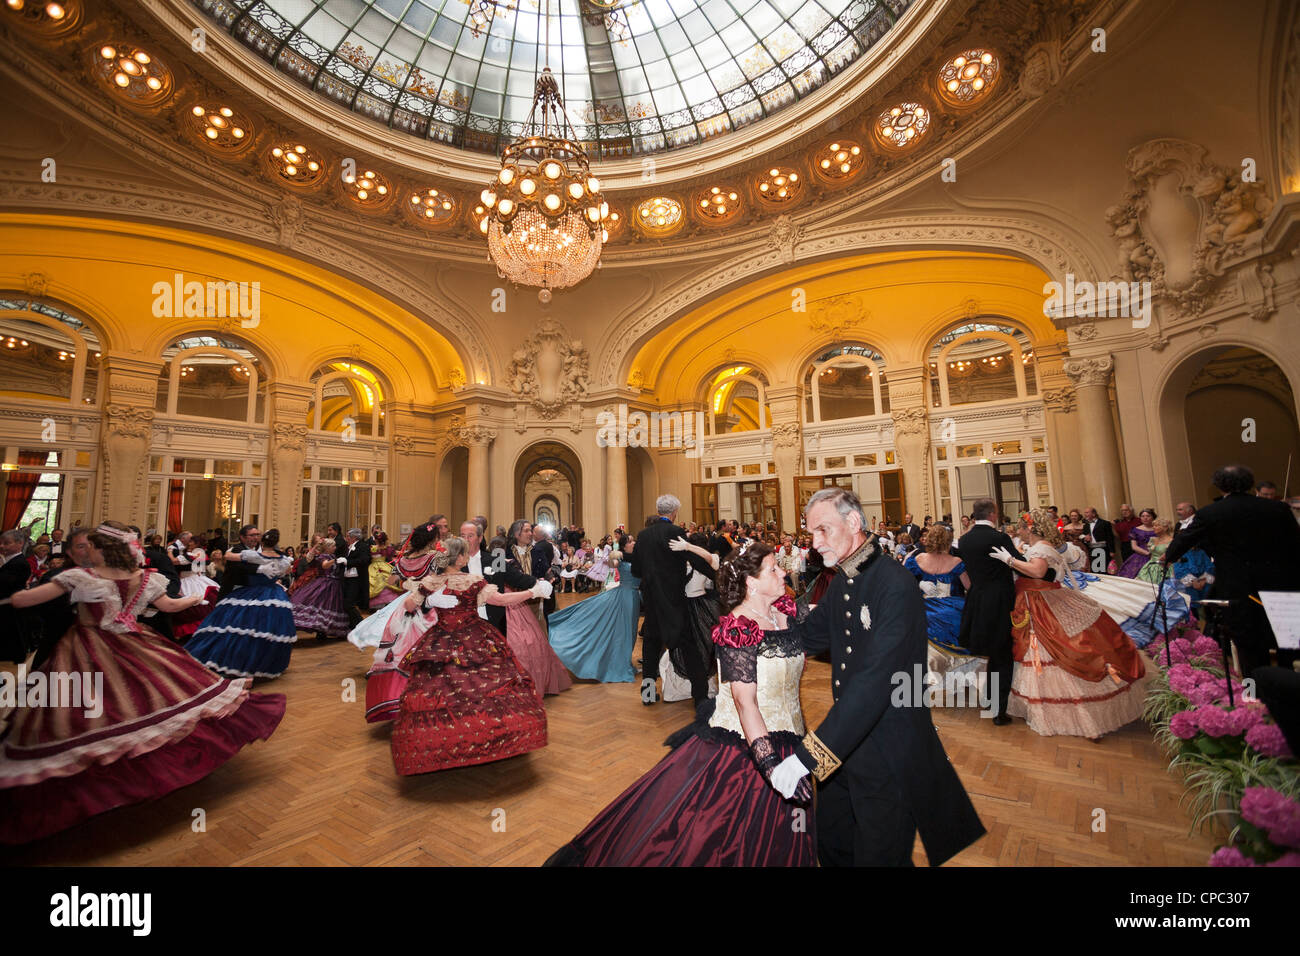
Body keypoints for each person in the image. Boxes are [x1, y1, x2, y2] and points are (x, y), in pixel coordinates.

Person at [0, 521, 284, 844]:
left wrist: (12, 599)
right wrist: (197, 600)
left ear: (102, 548)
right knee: (144, 701)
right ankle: (122, 775)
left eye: (91, 545)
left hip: (88, 648)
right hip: (133, 642)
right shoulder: (142, 578)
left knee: (85, 714)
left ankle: (95, 783)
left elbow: (26, 601)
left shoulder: (81, 577)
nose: (87, 550)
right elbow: (171, 606)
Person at [547, 542, 815, 866]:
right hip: (748, 746)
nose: (783, 571)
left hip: (793, 741)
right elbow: (746, 705)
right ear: (751, 582)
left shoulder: (785, 610)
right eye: (773, 568)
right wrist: (770, 764)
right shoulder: (738, 628)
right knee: (710, 836)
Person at [766, 488, 985, 866]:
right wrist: (749, 631)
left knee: (880, 855)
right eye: (811, 533)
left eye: (822, 531)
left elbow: (874, 681)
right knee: (833, 844)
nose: (816, 544)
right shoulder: (846, 580)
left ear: (853, 523)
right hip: (848, 743)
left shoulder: (894, 585)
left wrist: (808, 756)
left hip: (890, 748)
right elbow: (810, 634)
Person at [389, 536, 552, 775]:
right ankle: (486, 741)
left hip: (441, 642)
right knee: (484, 689)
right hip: (475, 638)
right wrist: (533, 591)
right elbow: (503, 600)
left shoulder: (431, 581)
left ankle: (445, 745)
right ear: (461, 557)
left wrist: (428, 598)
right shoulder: (472, 581)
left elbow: (408, 607)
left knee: (441, 693)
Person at [990, 510, 1148, 738]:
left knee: (1057, 648)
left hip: (1043, 605)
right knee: (1044, 651)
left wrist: (1010, 561)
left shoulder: (1041, 548)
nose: (1019, 532)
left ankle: (1073, 713)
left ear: (1031, 529)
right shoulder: (1038, 547)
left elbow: (1038, 571)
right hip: (1036, 601)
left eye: (1022, 528)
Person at [1165, 464, 1300, 673]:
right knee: (1284, 644)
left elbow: (1180, 544)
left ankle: (1256, 696)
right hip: (1278, 588)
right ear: (1250, 484)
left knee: (1250, 648)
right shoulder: (1278, 509)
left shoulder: (1211, 513)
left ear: (1219, 486)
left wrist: (1169, 556)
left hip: (1238, 590)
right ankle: (1288, 692)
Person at [631, 494, 717, 706]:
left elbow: (636, 570)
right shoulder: (675, 532)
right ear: (675, 512)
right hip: (674, 601)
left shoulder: (642, 535)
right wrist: (717, 574)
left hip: (651, 601)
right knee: (689, 648)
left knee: (650, 648)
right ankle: (700, 696)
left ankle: (648, 695)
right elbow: (693, 559)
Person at [185, 529, 297, 679]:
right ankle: (263, 663)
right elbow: (285, 571)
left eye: (258, 536)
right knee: (266, 630)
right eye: (252, 535)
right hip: (273, 595)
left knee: (241, 628)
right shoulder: (284, 560)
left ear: (262, 541)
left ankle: (237, 660)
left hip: (251, 593)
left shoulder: (254, 555)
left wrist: (256, 564)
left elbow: (229, 556)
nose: (255, 538)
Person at [955, 498, 1019, 725]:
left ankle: (991, 702)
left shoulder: (965, 540)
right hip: (999, 601)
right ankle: (998, 711)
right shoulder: (999, 538)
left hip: (977, 599)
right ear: (993, 514)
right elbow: (1020, 563)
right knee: (1002, 655)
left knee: (993, 653)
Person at [548, 541, 642, 683]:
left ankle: (623, 662)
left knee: (630, 631)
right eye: (629, 540)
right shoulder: (620, 557)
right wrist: (612, 556)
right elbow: (612, 565)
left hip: (634, 596)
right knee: (624, 631)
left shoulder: (639, 557)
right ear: (624, 546)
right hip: (624, 596)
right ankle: (617, 666)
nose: (633, 542)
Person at [903, 524, 981, 686]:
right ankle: (957, 680)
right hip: (953, 608)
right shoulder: (956, 561)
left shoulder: (918, 559)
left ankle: (926, 676)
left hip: (926, 607)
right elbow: (970, 588)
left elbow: (903, 586)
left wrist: (919, 585)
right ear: (948, 541)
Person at [504, 520, 571, 695]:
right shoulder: (502, 552)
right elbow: (496, 576)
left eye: (530, 531)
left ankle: (542, 681)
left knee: (539, 641)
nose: (530, 534)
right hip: (512, 604)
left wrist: (548, 581)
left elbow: (548, 572)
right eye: (526, 531)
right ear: (516, 533)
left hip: (536, 603)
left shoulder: (538, 551)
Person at [289, 538, 349, 639]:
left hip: (334, 585)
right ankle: (319, 630)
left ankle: (323, 631)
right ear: (328, 547)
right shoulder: (323, 556)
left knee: (328, 607)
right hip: (325, 584)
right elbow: (324, 565)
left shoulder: (332, 555)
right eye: (333, 546)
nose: (335, 548)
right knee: (320, 605)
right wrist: (335, 560)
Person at [0, 529, 37, 662]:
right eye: (1, 543)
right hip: (6, 605)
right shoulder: (8, 561)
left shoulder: (20, 563)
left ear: (20, 544)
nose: (2, 546)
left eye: (6, 543)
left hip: (9, 606)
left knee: (12, 637)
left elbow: (4, 584)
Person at [337, 528, 372, 631]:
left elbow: (364, 560)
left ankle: (361, 624)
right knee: (347, 603)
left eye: (347, 536)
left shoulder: (362, 546)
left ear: (353, 537)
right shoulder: (348, 547)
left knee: (349, 604)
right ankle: (353, 625)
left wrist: (347, 562)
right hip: (348, 579)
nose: (346, 538)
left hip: (356, 579)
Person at [1117, 508, 1158, 577]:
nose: (1145, 518)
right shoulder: (1135, 530)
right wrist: (1147, 553)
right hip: (1140, 555)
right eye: (1143, 516)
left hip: (1157, 555)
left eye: (1148, 516)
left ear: (1153, 517)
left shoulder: (1158, 529)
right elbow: (1134, 546)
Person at [1079, 507, 1117, 572]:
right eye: (1085, 513)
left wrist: (1112, 551)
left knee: (1103, 569)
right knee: (1095, 570)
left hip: (1103, 549)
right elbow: (1082, 536)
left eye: (1087, 512)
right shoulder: (1086, 525)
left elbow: (1110, 538)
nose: (1085, 514)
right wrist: (1085, 538)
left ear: (1093, 514)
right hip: (1091, 550)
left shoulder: (1104, 523)